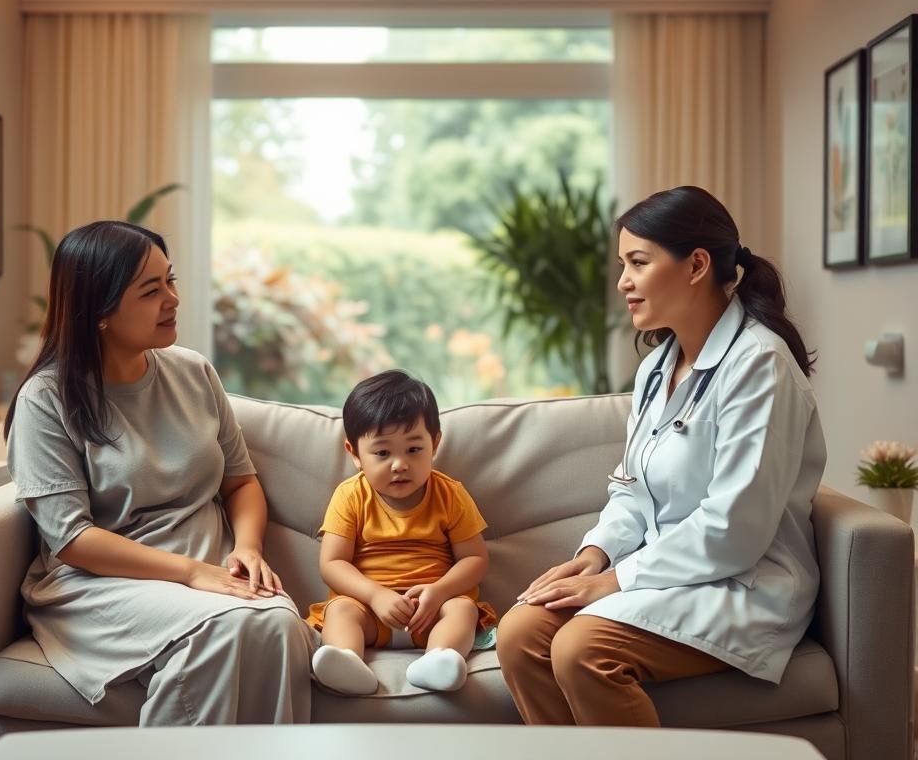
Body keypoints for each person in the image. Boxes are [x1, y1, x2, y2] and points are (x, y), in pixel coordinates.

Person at [497, 185, 826, 727]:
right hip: (667, 574)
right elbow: (631, 489)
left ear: (696, 265)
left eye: (638, 262)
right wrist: (596, 555)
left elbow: (735, 528)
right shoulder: (657, 367)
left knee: (583, 649)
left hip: (744, 583)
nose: (622, 281)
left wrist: (616, 582)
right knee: (519, 634)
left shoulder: (759, 365)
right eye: (623, 264)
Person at [4, 220, 314, 725]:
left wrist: (248, 548)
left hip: (204, 572)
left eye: (170, 281)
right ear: (99, 311)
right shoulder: (46, 399)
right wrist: (193, 573)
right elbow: (72, 538)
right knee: (232, 625)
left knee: (279, 622)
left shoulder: (193, 372)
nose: (172, 299)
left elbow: (241, 481)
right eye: (151, 290)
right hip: (100, 584)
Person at [306, 370, 497, 695]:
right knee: (340, 611)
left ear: (434, 443)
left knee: (462, 609)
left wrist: (438, 592)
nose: (399, 464)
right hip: (369, 611)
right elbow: (333, 564)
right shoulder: (350, 495)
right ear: (354, 454)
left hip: (432, 610)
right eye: (382, 453)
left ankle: (440, 660)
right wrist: (375, 595)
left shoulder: (449, 494)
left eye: (413, 449)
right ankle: (347, 663)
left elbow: (475, 560)